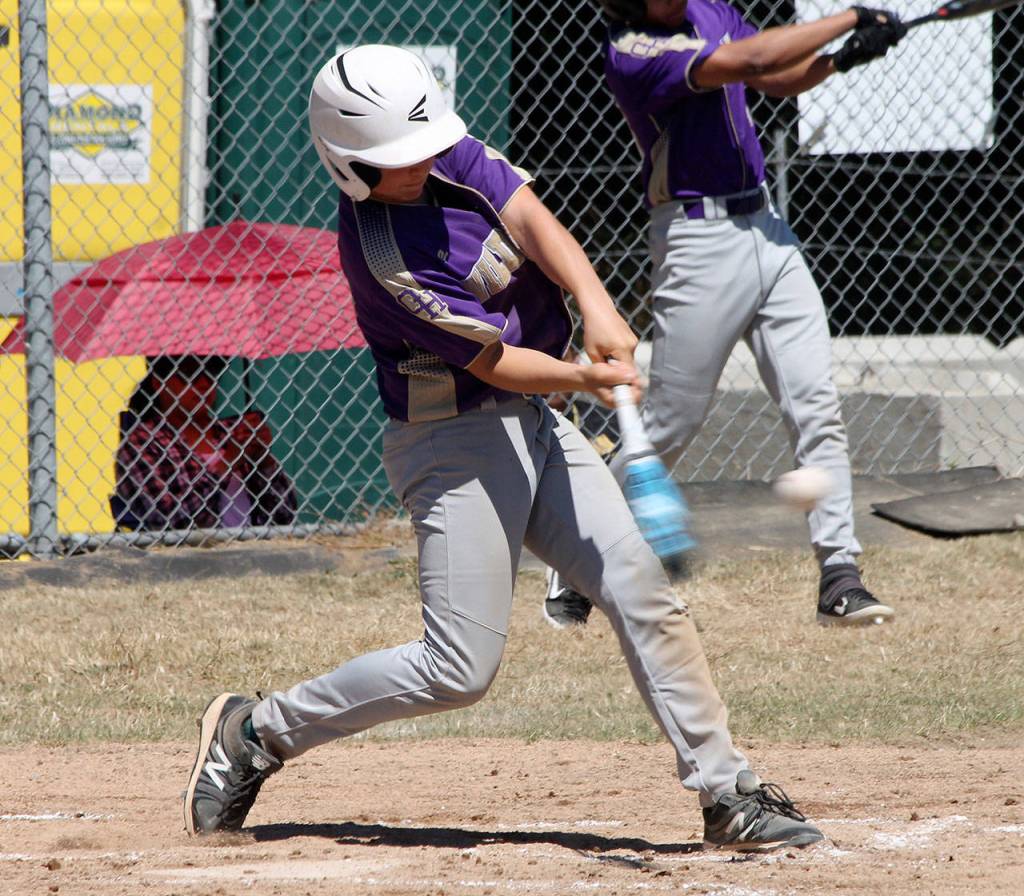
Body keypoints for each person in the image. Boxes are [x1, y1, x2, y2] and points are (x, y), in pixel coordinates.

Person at [183, 44, 824, 852]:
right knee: (458, 670)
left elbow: (527, 215)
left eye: (422, 148)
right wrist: (586, 378)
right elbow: (491, 361)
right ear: (347, 165)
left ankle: (727, 793)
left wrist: (597, 306)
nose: (418, 165)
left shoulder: (441, 145)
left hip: (536, 424)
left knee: (641, 588)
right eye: (395, 161)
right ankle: (256, 732)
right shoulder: (381, 250)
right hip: (451, 440)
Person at [544, 0, 905, 628]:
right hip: (697, 240)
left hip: (767, 226)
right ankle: (572, 554)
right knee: (671, 422)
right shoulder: (633, 50)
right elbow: (752, 57)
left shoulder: (709, 8)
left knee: (816, 404)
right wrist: (850, 18)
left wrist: (837, 62)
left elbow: (771, 77)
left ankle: (840, 576)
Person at [113, 355, 297, 530]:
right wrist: (228, 461)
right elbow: (169, 518)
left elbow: (286, 515)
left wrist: (264, 462)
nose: (204, 384)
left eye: (211, 373)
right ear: (158, 382)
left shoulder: (232, 432)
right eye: (189, 374)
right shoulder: (142, 443)